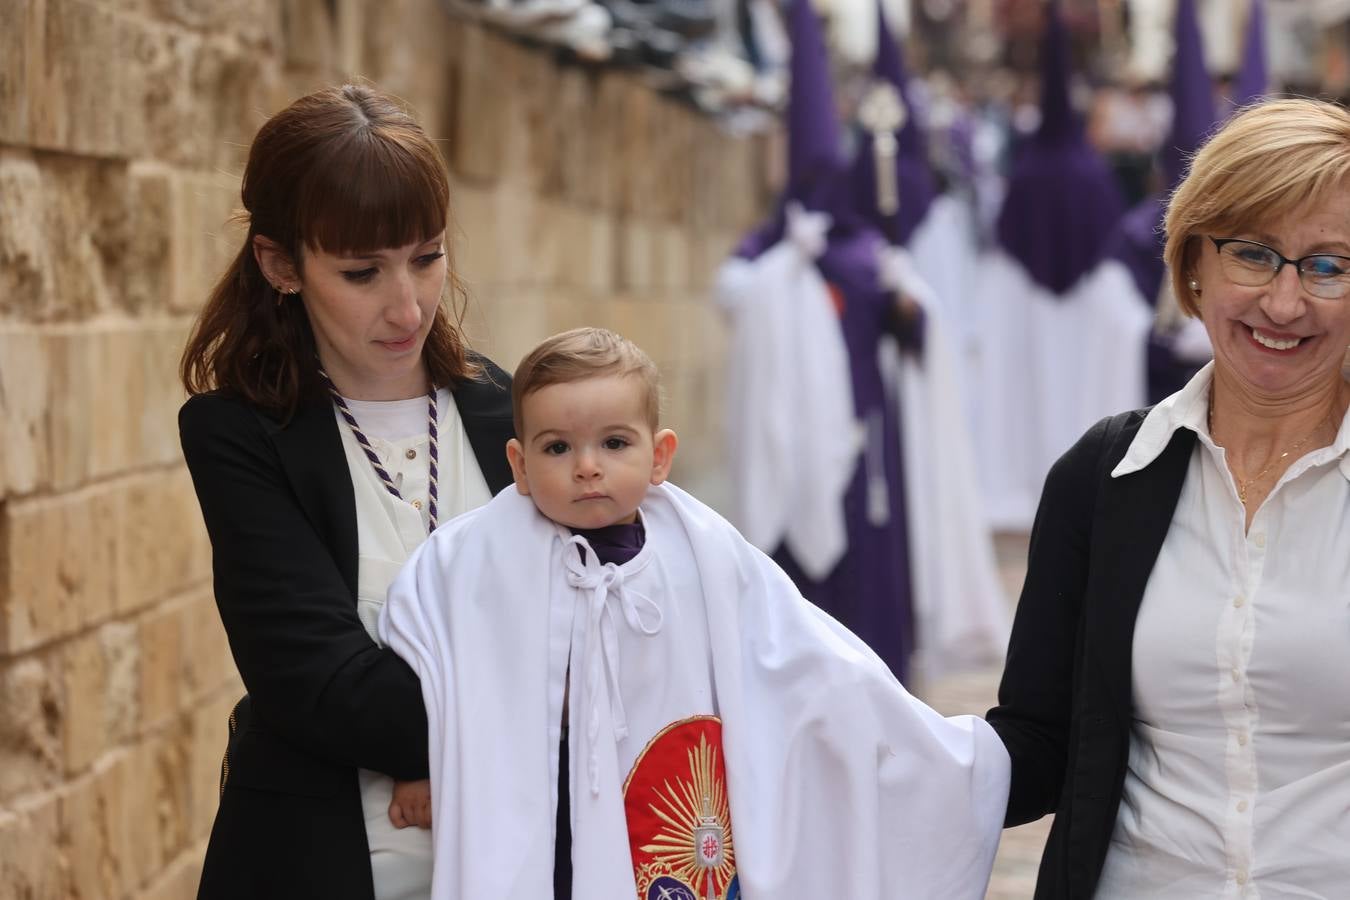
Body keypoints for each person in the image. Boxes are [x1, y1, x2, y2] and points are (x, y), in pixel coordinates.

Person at [378, 326, 1012, 899]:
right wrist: (415, 761)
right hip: (547, 808)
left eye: (614, 442)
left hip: (669, 817)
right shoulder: (481, 557)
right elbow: (424, 645)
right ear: (518, 464)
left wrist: (917, 744)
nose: (587, 466)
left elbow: (798, 652)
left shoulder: (703, 553)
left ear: (660, 455)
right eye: (557, 448)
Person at [987, 98, 1350, 898]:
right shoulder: (1102, 477)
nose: (1285, 303)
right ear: (1192, 262)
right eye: (1253, 255)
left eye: (1329, 265)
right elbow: (1039, 742)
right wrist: (873, 748)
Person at [178, 84, 515, 900]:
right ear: (280, 263)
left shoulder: (509, 410)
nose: (408, 306)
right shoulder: (237, 436)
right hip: (314, 865)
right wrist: (529, 708)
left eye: (427, 257)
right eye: (362, 272)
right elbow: (322, 688)